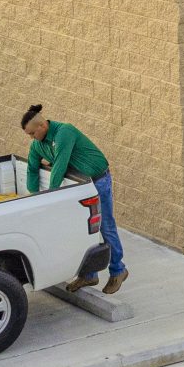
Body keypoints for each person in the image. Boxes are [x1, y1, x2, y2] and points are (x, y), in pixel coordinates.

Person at [21, 104, 126, 295]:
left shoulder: (64, 132)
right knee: (82, 230)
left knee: (106, 227)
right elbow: (32, 168)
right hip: (79, 188)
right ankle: (89, 274)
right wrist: (33, 196)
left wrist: (50, 196)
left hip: (98, 182)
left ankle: (118, 270)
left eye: (31, 133)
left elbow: (59, 166)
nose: (31, 138)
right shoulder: (38, 145)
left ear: (42, 126)